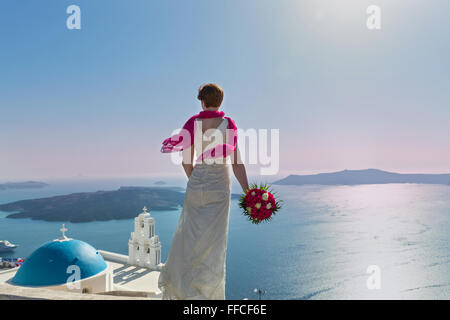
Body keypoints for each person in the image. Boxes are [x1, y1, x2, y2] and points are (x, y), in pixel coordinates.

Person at [158, 83, 249, 299]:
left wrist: (197, 180)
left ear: (202, 101)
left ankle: (183, 292)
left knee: (189, 239)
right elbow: (237, 163)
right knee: (214, 244)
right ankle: (206, 297)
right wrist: (248, 192)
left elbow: (185, 162)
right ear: (220, 101)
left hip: (197, 183)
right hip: (220, 187)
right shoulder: (228, 124)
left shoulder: (192, 124)